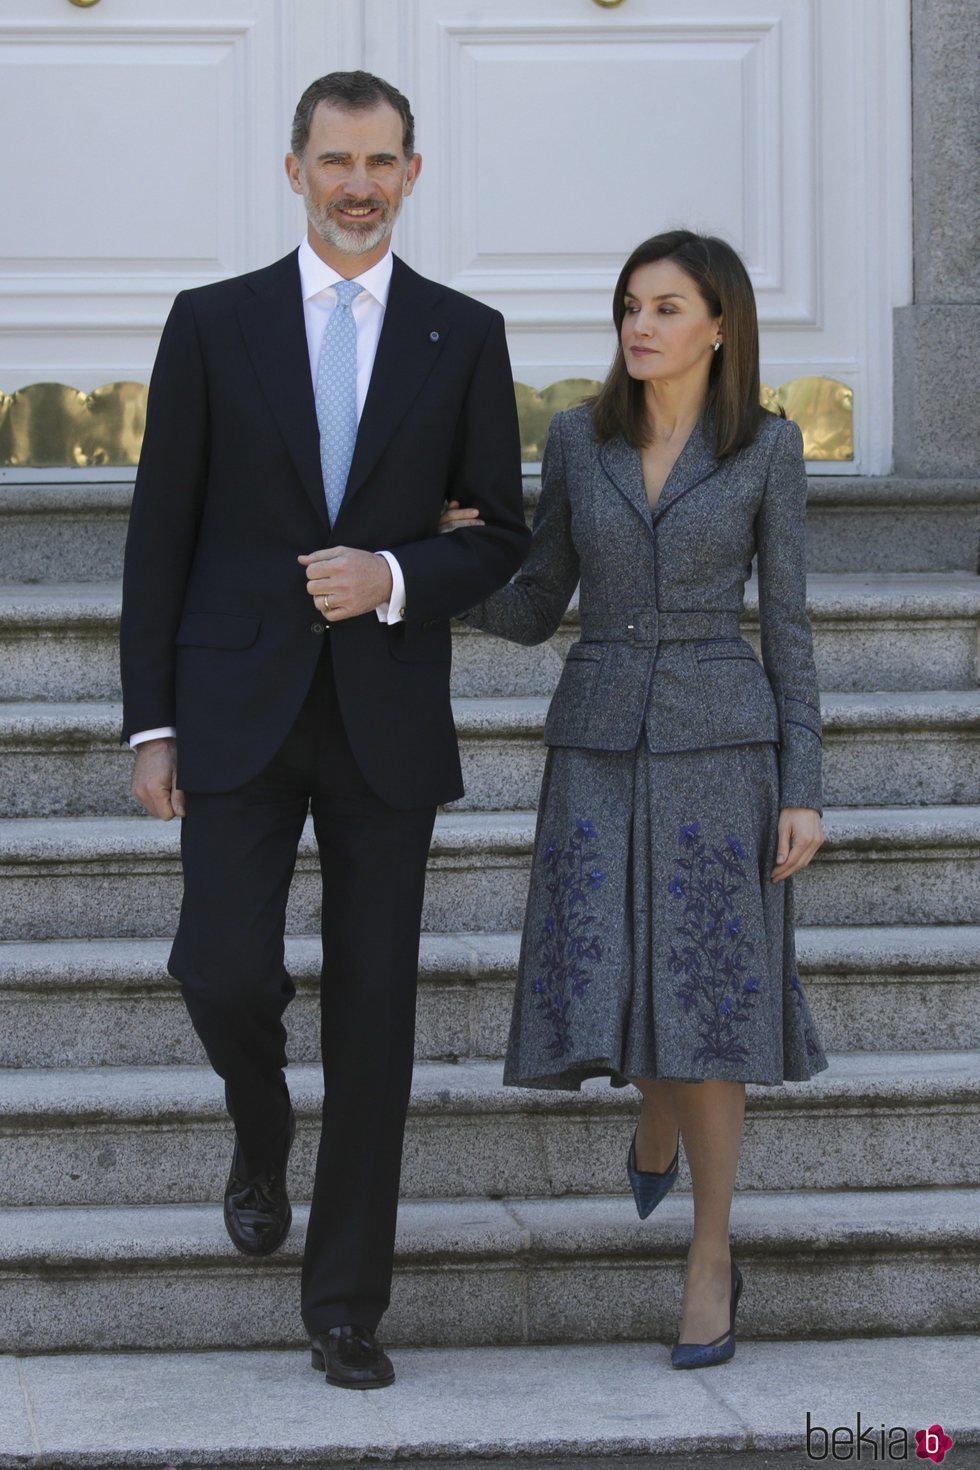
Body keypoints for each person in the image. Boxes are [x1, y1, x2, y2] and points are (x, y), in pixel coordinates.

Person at [120, 70, 529, 1390]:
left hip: (385, 722)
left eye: (382, 162)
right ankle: (259, 1119)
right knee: (219, 967)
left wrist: (397, 575)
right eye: (335, 160)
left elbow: (504, 540)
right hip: (234, 705)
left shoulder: (463, 334)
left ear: (414, 172)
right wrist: (151, 721)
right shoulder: (212, 322)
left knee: (375, 1016)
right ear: (293, 167)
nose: (358, 184)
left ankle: (345, 1303)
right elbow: (158, 534)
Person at [441, 229, 827, 1369]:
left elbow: (790, 627)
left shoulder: (766, 447)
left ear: (719, 325)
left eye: (665, 307)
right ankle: (652, 1110)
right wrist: (446, 571)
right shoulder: (576, 439)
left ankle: (709, 1257)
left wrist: (802, 783)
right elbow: (537, 597)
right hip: (599, 737)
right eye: (628, 307)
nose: (639, 326)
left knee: (704, 992)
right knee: (613, 965)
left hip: (722, 742)